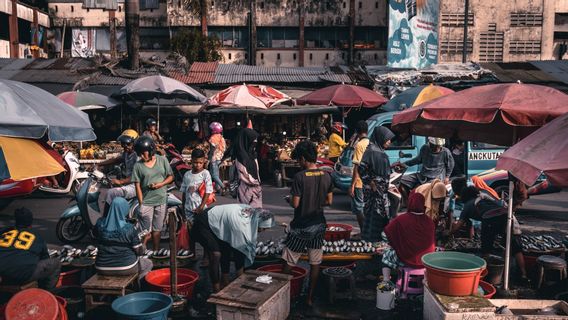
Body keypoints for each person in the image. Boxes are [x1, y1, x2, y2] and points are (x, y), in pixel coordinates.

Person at [281, 140, 333, 307]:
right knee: (315, 262)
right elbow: (329, 201)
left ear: (303, 158)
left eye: (299, 160)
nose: (298, 163)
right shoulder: (326, 175)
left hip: (301, 226)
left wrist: (290, 199)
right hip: (319, 225)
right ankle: (310, 298)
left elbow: (295, 204)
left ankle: (282, 296)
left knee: (288, 261)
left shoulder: (299, 177)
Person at [449, 186, 528, 281]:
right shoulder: (485, 196)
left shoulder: (468, 205)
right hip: (509, 217)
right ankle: (524, 274)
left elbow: (458, 226)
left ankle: (486, 274)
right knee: (516, 248)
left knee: (486, 249)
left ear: (465, 196)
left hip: (490, 221)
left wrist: (447, 233)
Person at [192, 204, 274, 292]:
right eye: (263, 228)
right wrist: (241, 279)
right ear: (258, 222)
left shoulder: (253, 217)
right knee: (216, 254)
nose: (263, 231)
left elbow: (238, 250)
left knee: (226, 247)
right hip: (205, 222)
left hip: (222, 222)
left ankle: (225, 280)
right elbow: (239, 250)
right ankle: (216, 289)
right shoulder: (241, 226)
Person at [0, 208, 61, 291]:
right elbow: (45, 258)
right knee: (56, 263)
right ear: (31, 223)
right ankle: (46, 294)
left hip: (2, 274)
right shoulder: (37, 236)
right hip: (22, 275)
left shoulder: (4, 233)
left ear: (16, 220)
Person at [131, 136, 174, 251]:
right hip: (146, 202)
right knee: (145, 231)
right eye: (140, 153)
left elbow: (171, 176)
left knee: (157, 229)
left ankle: (156, 251)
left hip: (161, 200)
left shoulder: (162, 160)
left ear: (151, 150)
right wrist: (141, 204)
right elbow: (137, 186)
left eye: (143, 153)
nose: (141, 156)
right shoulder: (138, 166)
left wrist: (161, 184)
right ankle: (141, 252)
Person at [94, 198, 153, 280]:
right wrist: (145, 240)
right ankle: (139, 286)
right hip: (126, 267)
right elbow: (140, 252)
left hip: (101, 267)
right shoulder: (129, 228)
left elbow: (96, 236)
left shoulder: (99, 224)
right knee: (148, 263)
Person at [381, 193, 435, 282]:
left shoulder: (401, 219)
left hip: (406, 259)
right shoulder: (429, 221)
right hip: (427, 261)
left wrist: (394, 243)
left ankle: (386, 281)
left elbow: (385, 234)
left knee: (386, 254)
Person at [358, 126, 395, 242]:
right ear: (381, 137)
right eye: (387, 139)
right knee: (375, 218)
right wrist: (370, 182)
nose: (389, 142)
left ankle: (376, 243)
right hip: (375, 194)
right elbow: (361, 168)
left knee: (379, 218)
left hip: (381, 192)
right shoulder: (372, 151)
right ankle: (371, 244)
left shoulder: (378, 151)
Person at [399, 137, 454, 202]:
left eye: (438, 146)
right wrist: (405, 164)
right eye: (435, 146)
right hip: (422, 175)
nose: (437, 148)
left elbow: (451, 165)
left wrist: (447, 176)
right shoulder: (424, 148)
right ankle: (407, 202)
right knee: (401, 180)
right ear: (430, 144)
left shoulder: (446, 152)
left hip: (436, 178)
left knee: (419, 191)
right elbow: (418, 160)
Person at [180, 148, 213, 256]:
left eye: (200, 162)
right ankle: (192, 254)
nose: (197, 165)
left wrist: (201, 207)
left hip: (201, 209)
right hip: (189, 209)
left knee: (203, 233)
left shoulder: (205, 173)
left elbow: (208, 191)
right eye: (195, 162)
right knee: (190, 233)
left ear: (204, 161)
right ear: (191, 161)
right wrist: (183, 208)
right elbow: (184, 193)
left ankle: (206, 256)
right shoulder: (187, 175)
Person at [100, 130, 139, 215]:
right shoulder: (126, 153)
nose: (125, 146)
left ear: (134, 143)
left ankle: (105, 219)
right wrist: (99, 164)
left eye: (128, 144)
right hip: (128, 183)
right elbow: (116, 160)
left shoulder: (137, 156)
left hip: (135, 186)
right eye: (123, 144)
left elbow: (137, 176)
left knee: (110, 193)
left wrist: (121, 181)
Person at [233, 128, 262, 208]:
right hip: (246, 190)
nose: (255, 144)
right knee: (247, 212)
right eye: (253, 141)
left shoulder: (253, 155)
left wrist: (258, 183)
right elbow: (243, 175)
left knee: (256, 213)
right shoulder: (241, 157)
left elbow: (257, 171)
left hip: (256, 189)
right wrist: (255, 182)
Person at [349, 120, 370, 232]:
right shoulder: (370, 143)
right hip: (369, 181)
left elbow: (356, 166)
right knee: (366, 207)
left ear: (357, 131)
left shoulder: (359, 145)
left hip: (359, 182)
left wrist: (352, 185)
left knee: (359, 208)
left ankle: (364, 232)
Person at [208, 122, 226, 195]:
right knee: (216, 174)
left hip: (214, 158)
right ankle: (218, 189)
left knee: (214, 175)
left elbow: (212, 150)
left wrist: (209, 158)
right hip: (220, 158)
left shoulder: (213, 138)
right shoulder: (221, 137)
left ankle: (223, 186)